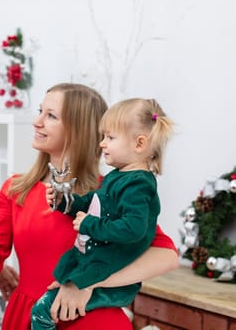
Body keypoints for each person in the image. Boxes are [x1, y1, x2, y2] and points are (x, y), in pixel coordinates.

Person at [0, 84, 179, 330]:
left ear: (78, 130)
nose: (37, 122)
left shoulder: (107, 193)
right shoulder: (16, 189)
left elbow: (167, 256)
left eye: (51, 116)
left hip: (95, 322)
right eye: (40, 111)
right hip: (29, 317)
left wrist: (86, 284)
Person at [31, 98, 174, 329]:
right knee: (48, 309)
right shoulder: (117, 177)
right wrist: (66, 202)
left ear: (139, 143)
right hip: (94, 266)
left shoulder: (138, 185)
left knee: (42, 312)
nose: (102, 144)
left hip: (109, 274)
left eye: (110, 137)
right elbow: (93, 203)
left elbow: (132, 228)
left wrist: (90, 225)